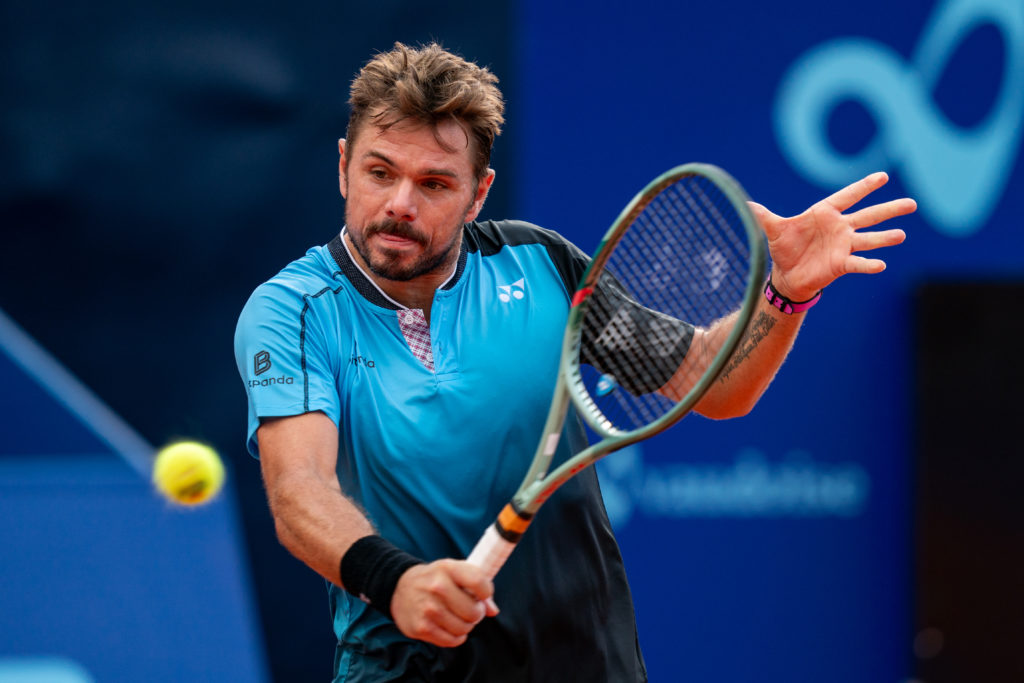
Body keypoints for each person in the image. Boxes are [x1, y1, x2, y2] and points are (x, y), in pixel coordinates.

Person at [234, 42, 915, 682]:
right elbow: (300, 490)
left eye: (435, 183)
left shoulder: (540, 266)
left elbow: (715, 383)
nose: (400, 205)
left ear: (478, 193)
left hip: (588, 662)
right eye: (380, 173)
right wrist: (396, 580)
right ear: (344, 165)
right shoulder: (293, 310)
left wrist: (783, 293)